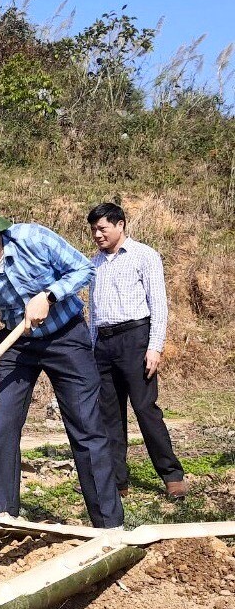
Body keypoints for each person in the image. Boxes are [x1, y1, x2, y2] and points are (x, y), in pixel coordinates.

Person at [0, 201, 123, 529]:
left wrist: (48, 296)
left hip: (66, 336)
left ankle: (109, 525)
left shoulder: (33, 239)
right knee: (2, 423)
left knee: (86, 426)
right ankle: (2, 515)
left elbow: (84, 269)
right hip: (16, 343)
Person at [88, 202, 185, 499]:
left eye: (102, 228)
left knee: (145, 409)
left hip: (135, 339)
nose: (97, 235)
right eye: (93, 230)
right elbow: (93, 310)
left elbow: (159, 305)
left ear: (120, 225)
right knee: (109, 415)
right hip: (103, 343)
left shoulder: (144, 255)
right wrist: (92, 346)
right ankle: (117, 482)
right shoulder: (94, 263)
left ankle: (172, 475)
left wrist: (155, 347)